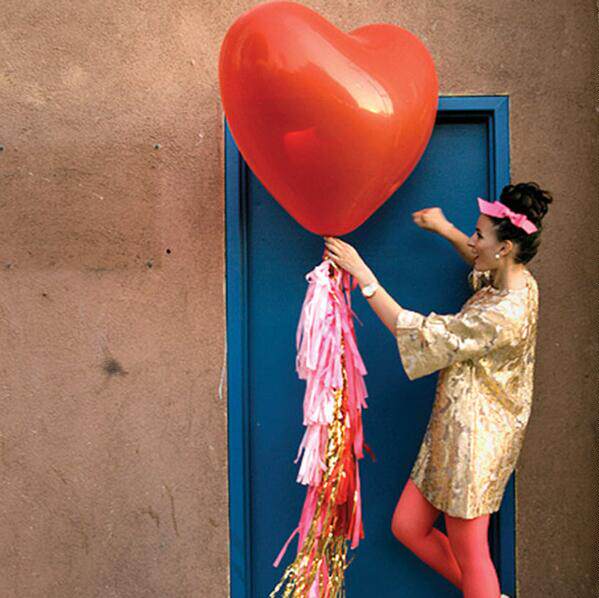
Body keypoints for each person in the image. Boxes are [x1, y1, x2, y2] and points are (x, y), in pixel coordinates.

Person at [323, 182, 553, 598]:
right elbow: (481, 262)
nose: (472, 240)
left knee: (471, 551)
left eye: (479, 234)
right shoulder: (515, 277)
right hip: (453, 428)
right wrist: (444, 228)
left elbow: (421, 333)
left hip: (478, 442)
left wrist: (364, 275)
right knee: (408, 527)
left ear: (504, 248)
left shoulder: (504, 313)